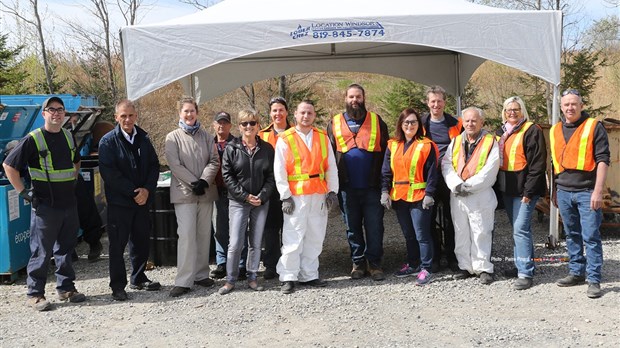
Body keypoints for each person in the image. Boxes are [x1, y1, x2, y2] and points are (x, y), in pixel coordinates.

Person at [3, 96, 86, 311]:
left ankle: (66, 288)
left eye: (60, 109)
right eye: (52, 109)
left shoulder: (68, 136)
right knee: (41, 251)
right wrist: (22, 192)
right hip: (45, 206)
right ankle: (35, 293)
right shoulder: (34, 139)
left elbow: (76, 161)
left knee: (66, 249)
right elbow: (9, 165)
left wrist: (72, 179)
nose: (56, 113)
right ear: (44, 114)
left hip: (68, 203)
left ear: (64, 114)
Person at [98, 99, 161, 301]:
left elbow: (154, 165)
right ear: (116, 117)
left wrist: (147, 190)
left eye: (130, 115)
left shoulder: (143, 138)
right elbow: (110, 174)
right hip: (120, 204)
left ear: (136, 116)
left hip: (142, 202)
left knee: (141, 241)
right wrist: (134, 192)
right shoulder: (108, 142)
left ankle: (139, 277)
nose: (127, 119)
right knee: (117, 246)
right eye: (123, 116)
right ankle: (118, 286)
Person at [274, 99, 339, 294]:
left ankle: (309, 274)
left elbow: (331, 167)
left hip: (318, 193)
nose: (306, 116)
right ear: (295, 114)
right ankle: (288, 276)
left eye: (309, 113)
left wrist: (332, 191)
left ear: (314, 115)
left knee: (315, 235)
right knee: (293, 236)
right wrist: (284, 196)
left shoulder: (322, 136)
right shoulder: (286, 138)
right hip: (296, 195)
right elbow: (279, 170)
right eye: (302, 112)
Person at [326, 83, 389, 281]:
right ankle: (358, 263)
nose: (355, 101)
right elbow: (327, 154)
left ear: (364, 98)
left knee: (374, 226)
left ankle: (375, 263)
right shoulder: (334, 123)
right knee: (352, 228)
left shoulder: (377, 121)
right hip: (347, 187)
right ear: (346, 99)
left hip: (372, 187)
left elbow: (387, 152)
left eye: (358, 97)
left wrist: (386, 185)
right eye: (351, 97)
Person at [551, 89, 610, 299]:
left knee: (591, 236)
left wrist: (598, 191)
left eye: (574, 104)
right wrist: (554, 191)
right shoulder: (555, 130)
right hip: (564, 190)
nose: (570, 108)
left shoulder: (594, 126)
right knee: (571, 234)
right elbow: (554, 164)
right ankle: (576, 272)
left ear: (581, 105)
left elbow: (603, 160)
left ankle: (594, 279)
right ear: (561, 107)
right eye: (566, 104)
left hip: (587, 191)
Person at [164, 97, 220, 297]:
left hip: (205, 193)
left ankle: (201, 274)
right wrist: (193, 183)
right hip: (184, 194)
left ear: (197, 113)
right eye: (185, 111)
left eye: (192, 111)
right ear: (180, 113)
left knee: (204, 234)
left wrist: (204, 181)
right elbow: (174, 164)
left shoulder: (206, 136)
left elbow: (214, 160)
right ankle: (184, 280)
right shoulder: (173, 137)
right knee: (187, 235)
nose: (189, 114)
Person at [218, 110, 276, 295]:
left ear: (259, 125)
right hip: (238, 202)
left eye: (253, 123)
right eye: (245, 124)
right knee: (235, 243)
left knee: (256, 242)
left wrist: (263, 195)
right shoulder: (231, 148)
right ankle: (230, 279)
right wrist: (244, 196)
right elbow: (227, 176)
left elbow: (271, 176)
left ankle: (252, 277)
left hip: (260, 201)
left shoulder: (267, 149)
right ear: (239, 126)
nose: (249, 127)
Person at [441, 107, 499, 285]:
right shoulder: (456, 141)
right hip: (458, 193)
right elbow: (446, 164)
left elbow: (491, 167)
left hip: (479, 193)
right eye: (466, 121)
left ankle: (483, 268)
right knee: (461, 231)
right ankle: (464, 266)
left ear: (482, 122)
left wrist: (470, 186)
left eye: (474, 120)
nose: (470, 124)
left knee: (481, 230)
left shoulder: (491, 142)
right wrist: (455, 184)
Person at [381, 108, 439, 285]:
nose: (410, 125)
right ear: (400, 124)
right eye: (406, 122)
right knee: (409, 234)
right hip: (399, 196)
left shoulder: (426, 145)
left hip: (420, 197)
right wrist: (384, 191)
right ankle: (413, 264)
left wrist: (430, 193)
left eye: (413, 122)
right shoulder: (392, 144)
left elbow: (432, 172)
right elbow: (386, 171)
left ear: (418, 125)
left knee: (422, 234)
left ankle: (426, 267)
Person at [495, 96, 547, 290]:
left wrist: (529, 191)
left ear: (523, 111)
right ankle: (522, 265)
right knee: (519, 230)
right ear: (504, 112)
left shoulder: (532, 130)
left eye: (516, 109)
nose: (512, 113)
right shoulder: (501, 132)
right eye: (508, 109)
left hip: (525, 190)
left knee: (520, 229)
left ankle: (525, 272)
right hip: (508, 188)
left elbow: (537, 164)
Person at [421, 86, 462, 272]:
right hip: (427, 177)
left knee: (451, 219)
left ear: (445, 102)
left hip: (450, 177)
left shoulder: (456, 124)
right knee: (428, 220)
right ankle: (434, 257)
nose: (436, 104)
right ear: (427, 103)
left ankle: (452, 256)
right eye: (433, 101)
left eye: (439, 101)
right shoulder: (420, 123)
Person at [210, 111, 248, 280]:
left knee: (239, 229)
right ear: (214, 125)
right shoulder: (208, 143)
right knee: (219, 229)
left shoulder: (238, 143)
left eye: (225, 123)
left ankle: (240, 264)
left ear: (230, 126)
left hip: (235, 192)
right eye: (219, 122)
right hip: (216, 192)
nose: (221, 126)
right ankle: (222, 263)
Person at [258, 97, 293, 279]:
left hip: (292, 187)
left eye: (281, 110)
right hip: (270, 188)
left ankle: (289, 263)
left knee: (290, 226)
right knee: (270, 228)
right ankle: (271, 264)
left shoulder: (295, 133)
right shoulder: (262, 135)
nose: (278, 114)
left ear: (287, 112)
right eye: (274, 111)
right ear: (270, 114)